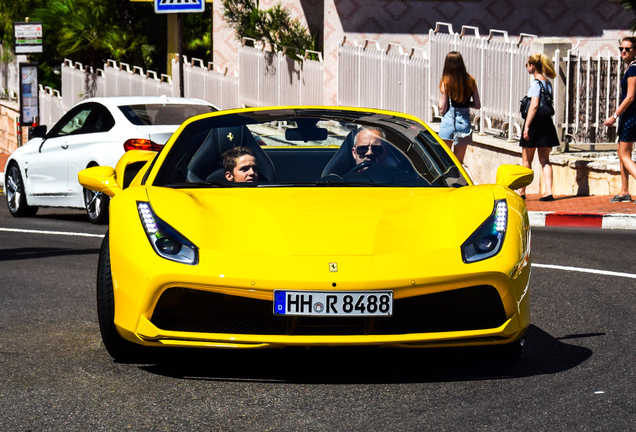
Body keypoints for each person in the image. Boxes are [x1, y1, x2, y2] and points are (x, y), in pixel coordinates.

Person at [518, 53, 559, 201]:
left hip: (535, 124)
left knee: (526, 160)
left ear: (532, 66)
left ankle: (522, 191)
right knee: (545, 160)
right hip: (547, 123)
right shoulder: (548, 83)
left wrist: (527, 126)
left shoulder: (535, 84)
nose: (526, 67)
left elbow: (534, 105)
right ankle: (549, 191)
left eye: (527, 64)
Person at [603, 36, 636, 203]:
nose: (623, 51)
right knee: (622, 151)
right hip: (629, 115)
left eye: (628, 49)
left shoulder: (633, 69)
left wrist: (614, 116)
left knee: (624, 155)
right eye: (621, 49)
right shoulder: (631, 68)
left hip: (631, 114)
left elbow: (630, 97)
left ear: (635, 51)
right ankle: (624, 191)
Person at [438, 51, 481, 164]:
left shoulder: (445, 82)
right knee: (459, 162)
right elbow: (477, 105)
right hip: (464, 123)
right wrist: (465, 104)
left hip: (448, 121)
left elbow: (442, 108)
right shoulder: (471, 81)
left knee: (444, 161)